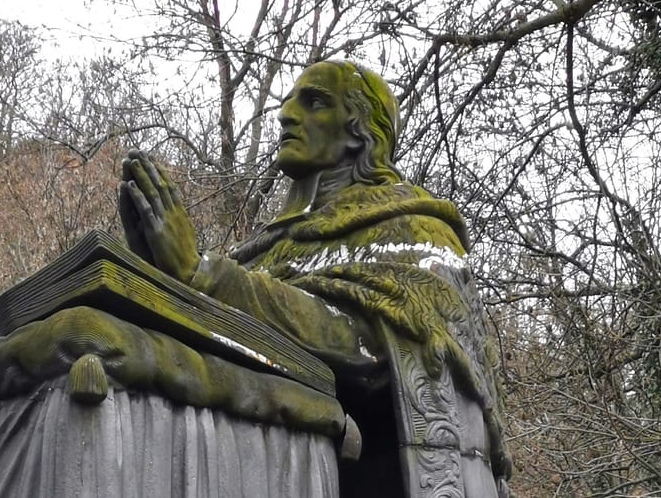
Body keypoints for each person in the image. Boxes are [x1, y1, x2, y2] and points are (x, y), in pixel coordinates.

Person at [119, 60, 512, 497]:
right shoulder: (264, 254)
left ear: (358, 132)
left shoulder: (416, 232)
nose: (286, 114)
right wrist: (161, 280)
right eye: (288, 102)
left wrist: (201, 273)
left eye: (315, 102)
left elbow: (367, 344)